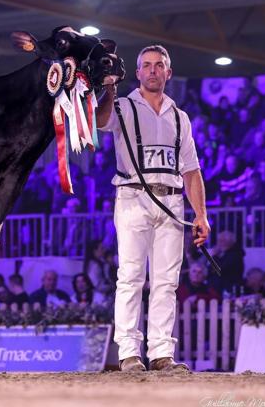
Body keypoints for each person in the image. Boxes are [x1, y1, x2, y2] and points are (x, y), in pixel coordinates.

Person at [96, 44, 210, 372]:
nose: (152, 70)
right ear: (138, 72)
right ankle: (129, 353)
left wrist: (201, 214)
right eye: (146, 65)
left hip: (172, 201)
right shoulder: (121, 107)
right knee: (131, 275)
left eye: (159, 65)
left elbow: (191, 170)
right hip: (132, 196)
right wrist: (108, 89)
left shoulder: (179, 116)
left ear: (168, 73)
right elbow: (100, 121)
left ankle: (162, 353)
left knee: (166, 281)